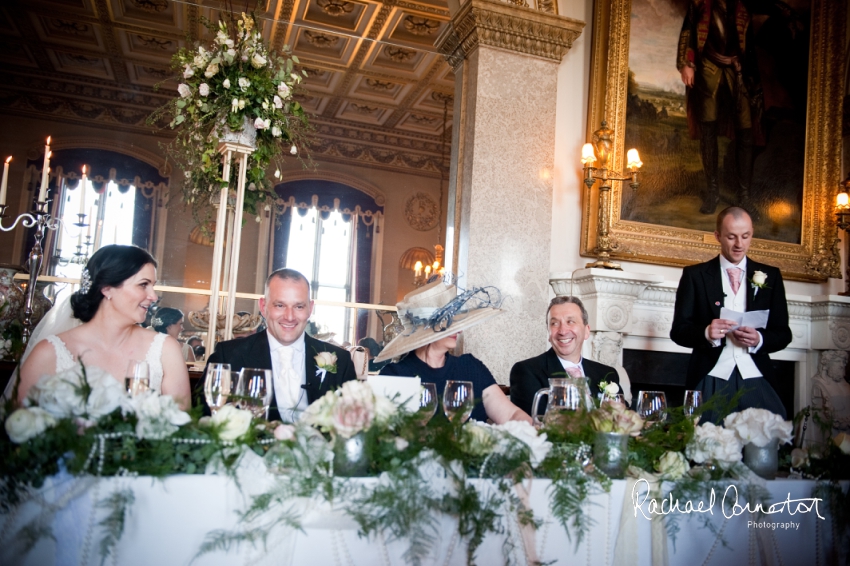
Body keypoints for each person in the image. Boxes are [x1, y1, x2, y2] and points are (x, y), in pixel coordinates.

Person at [18, 245, 191, 408]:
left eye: (153, 286)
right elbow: (23, 429)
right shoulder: (49, 352)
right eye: (143, 285)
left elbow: (182, 427)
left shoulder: (165, 349)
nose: (153, 296)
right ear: (107, 289)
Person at [670, 207, 791, 421]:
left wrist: (759, 339)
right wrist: (706, 332)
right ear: (718, 236)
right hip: (710, 375)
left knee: (766, 445)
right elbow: (678, 331)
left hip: (756, 375)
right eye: (731, 237)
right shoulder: (695, 275)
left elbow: (783, 333)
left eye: (745, 236)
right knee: (705, 445)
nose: (739, 244)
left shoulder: (771, 276)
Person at [206, 268, 357, 422]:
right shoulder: (229, 355)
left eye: (299, 306)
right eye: (280, 305)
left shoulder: (341, 360)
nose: (289, 317)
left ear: (310, 309)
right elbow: (204, 420)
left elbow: (353, 423)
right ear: (263, 306)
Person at [375, 280, 531, 424]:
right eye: (449, 320)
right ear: (424, 330)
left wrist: (535, 431)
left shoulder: (470, 367)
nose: (459, 329)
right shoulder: (395, 375)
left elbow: (511, 415)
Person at [677, 0, 759, 216]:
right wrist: (687, 63)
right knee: (708, 129)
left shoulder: (742, 6)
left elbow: (749, 45)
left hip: (737, 68)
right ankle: (713, 192)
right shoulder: (700, 3)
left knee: (746, 130)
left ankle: (744, 196)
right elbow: (689, 32)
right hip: (708, 66)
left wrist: (751, 77)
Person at [510, 296, 621, 419]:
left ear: (586, 331)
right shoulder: (526, 371)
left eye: (570, 321)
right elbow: (535, 424)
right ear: (549, 333)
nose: (562, 330)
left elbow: (624, 419)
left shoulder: (607, 373)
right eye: (554, 323)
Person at [810, 350, 850, 436]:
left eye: (843, 361)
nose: (842, 365)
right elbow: (818, 417)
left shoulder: (847, 386)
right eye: (838, 361)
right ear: (827, 363)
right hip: (829, 437)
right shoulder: (819, 384)